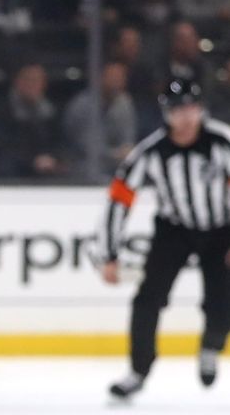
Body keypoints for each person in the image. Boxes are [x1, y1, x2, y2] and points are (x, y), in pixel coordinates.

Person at [95, 77, 230, 399]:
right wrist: (109, 255)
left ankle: (210, 347)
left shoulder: (222, 143)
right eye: (177, 110)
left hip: (222, 229)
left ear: (201, 110)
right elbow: (119, 200)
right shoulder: (151, 152)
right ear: (165, 114)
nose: (185, 118)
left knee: (222, 299)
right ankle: (137, 371)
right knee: (147, 299)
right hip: (174, 230)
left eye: (191, 109)